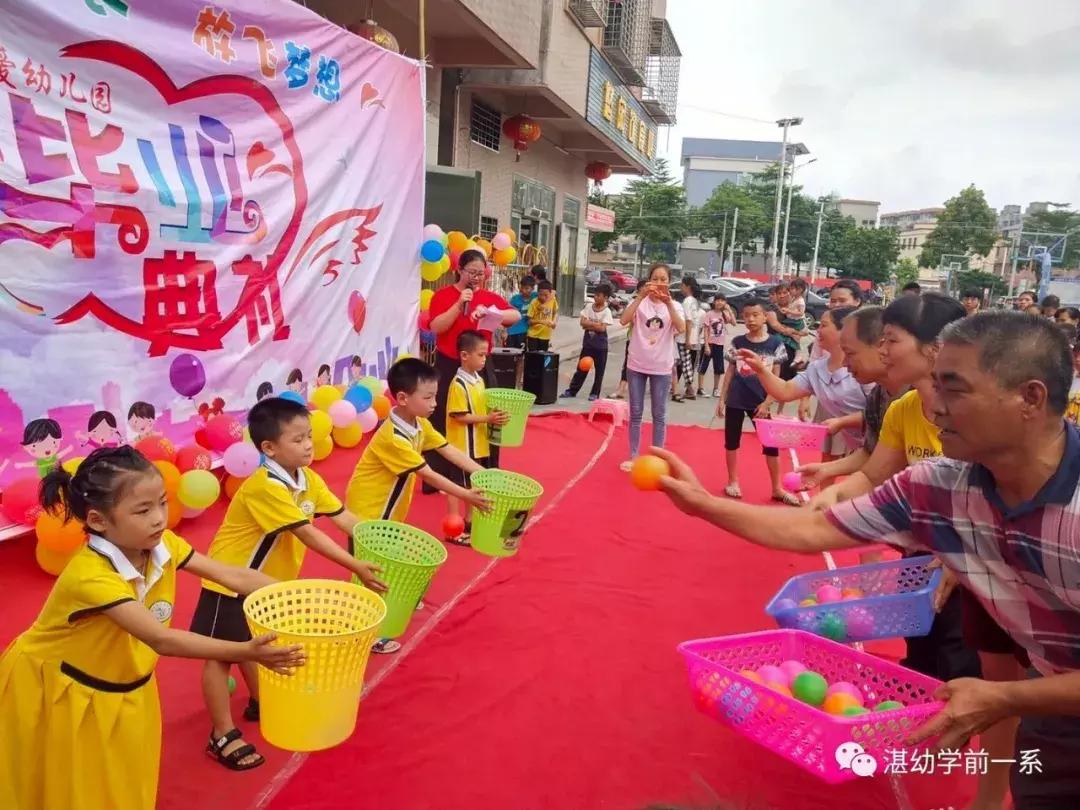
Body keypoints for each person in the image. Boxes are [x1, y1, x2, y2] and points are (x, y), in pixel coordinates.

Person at [653, 312, 1080, 810]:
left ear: (1030, 398)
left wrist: (1005, 699)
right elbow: (812, 529)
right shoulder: (936, 486)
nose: (935, 407)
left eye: (955, 389)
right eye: (935, 385)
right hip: (1056, 708)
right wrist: (702, 503)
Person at [0, 447, 305, 807]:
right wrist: (247, 652)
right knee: (64, 786)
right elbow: (161, 639)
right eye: (143, 510)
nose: (159, 518)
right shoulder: (90, 577)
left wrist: (301, 594)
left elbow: (230, 574)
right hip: (58, 687)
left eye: (162, 502)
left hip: (125, 683)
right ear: (98, 521)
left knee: (122, 781)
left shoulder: (163, 545)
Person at [191, 398, 386, 762]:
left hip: (266, 586)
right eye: (298, 440)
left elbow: (343, 517)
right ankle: (221, 733)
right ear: (269, 448)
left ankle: (259, 701)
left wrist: (381, 543)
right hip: (229, 580)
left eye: (309, 436)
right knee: (219, 657)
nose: (309, 445)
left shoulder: (308, 479)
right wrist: (356, 565)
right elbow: (308, 535)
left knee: (254, 642)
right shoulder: (266, 486)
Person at [347, 357, 492, 536]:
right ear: (402, 398)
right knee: (367, 563)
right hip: (368, 513)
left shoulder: (421, 423)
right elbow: (428, 475)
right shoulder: (393, 438)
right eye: (427, 397)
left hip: (388, 510)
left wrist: (487, 475)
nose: (434, 403)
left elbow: (449, 450)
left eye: (435, 396)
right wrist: (466, 495)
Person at [426, 249, 521, 487]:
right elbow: (436, 327)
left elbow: (515, 316)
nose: (477, 277)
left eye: (481, 272)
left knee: (488, 414)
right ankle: (441, 475)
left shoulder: (489, 297)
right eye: (472, 272)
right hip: (449, 364)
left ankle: (486, 470)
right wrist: (459, 305)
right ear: (460, 270)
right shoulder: (443, 295)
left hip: (480, 366)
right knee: (442, 417)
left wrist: (492, 313)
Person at [738, 307, 868, 462]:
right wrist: (760, 369)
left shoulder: (868, 367)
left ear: (845, 331)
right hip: (859, 443)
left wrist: (842, 422)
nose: (817, 330)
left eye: (824, 325)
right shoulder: (817, 368)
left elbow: (881, 411)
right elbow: (785, 391)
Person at [715, 301, 797, 504]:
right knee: (732, 442)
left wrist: (767, 402)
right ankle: (733, 481)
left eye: (755, 315)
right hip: (736, 399)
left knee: (771, 446)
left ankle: (777, 488)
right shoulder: (738, 342)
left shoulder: (775, 344)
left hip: (761, 402)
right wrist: (722, 399)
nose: (750, 319)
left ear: (764, 317)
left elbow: (778, 378)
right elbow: (730, 372)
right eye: (747, 315)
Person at [619, 263, 685, 471]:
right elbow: (623, 320)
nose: (659, 283)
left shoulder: (674, 305)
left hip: (662, 366)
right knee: (636, 412)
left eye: (663, 279)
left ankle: (658, 457)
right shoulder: (640, 303)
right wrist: (640, 297)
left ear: (669, 282)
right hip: (637, 363)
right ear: (648, 281)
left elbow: (681, 328)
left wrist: (669, 305)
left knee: (659, 414)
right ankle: (634, 455)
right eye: (655, 278)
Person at [445, 333, 508, 544]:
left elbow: (478, 408)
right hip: (461, 445)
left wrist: (493, 415)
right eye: (481, 355)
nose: (484, 359)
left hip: (477, 443)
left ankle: (469, 521)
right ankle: (453, 528)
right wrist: (487, 418)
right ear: (464, 355)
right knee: (458, 486)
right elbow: (459, 415)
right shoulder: (459, 384)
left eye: (485, 355)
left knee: (474, 484)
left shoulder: (478, 380)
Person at [562, 282, 614, 401]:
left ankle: (595, 393)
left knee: (599, 372)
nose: (596, 297)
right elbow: (582, 323)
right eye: (595, 295)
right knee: (581, 368)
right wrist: (595, 324)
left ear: (605, 297)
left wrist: (589, 324)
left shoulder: (607, 312)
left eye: (599, 295)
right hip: (588, 345)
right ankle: (572, 390)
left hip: (601, 347)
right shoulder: (588, 307)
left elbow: (602, 328)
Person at [610, 279, 648, 400]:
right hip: (634, 339)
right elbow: (626, 319)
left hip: (649, 342)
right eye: (644, 287)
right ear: (639, 289)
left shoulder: (654, 304)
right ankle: (621, 388)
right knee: (628, 364)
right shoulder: (634, 302)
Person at [697, 294, 735, 397]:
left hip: (720, 345)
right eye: (718, 300)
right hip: (710, 344)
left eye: (722, 301)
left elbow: (734, 323)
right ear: (714, 302)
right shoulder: (709, 314)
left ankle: (716, 389)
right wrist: (706, 345)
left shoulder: (723, 314)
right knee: (703, 367)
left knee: (718, 368)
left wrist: (729, 310)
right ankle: (700, 388)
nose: (720, 302)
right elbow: (705, 331)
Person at [673, 275, 702, 401]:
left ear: (687, 286)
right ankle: (684, 387)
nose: (681, 288)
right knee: (686, 363)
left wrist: (687, 339)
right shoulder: (694, 301)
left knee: (685, 363)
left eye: (682, 285)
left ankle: (689, 388)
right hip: (692, 336)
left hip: (684, 337)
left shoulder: (687, 301)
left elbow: (688, 321)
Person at [526, 280, 558, 352]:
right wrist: (542, 322)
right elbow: (529, 321)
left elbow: (555, 312)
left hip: (545, 335)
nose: (543, 297)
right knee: (533, 357)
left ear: (550, 293)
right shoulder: (534, 302)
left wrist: (554, 322)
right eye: (540, 294)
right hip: (533, 335)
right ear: (537, 293)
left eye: (546, 295)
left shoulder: (552, 301)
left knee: (542, 358)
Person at [506, 275, 535, 349]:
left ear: (533, 288)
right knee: (510, 355)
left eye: (527, 288)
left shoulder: (536, 296)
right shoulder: (515, 299)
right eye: (522, 288)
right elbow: (508, 312)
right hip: (512, 331)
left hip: (524, 332)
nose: (524, 290)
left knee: (521, 354)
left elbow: (551, 293)